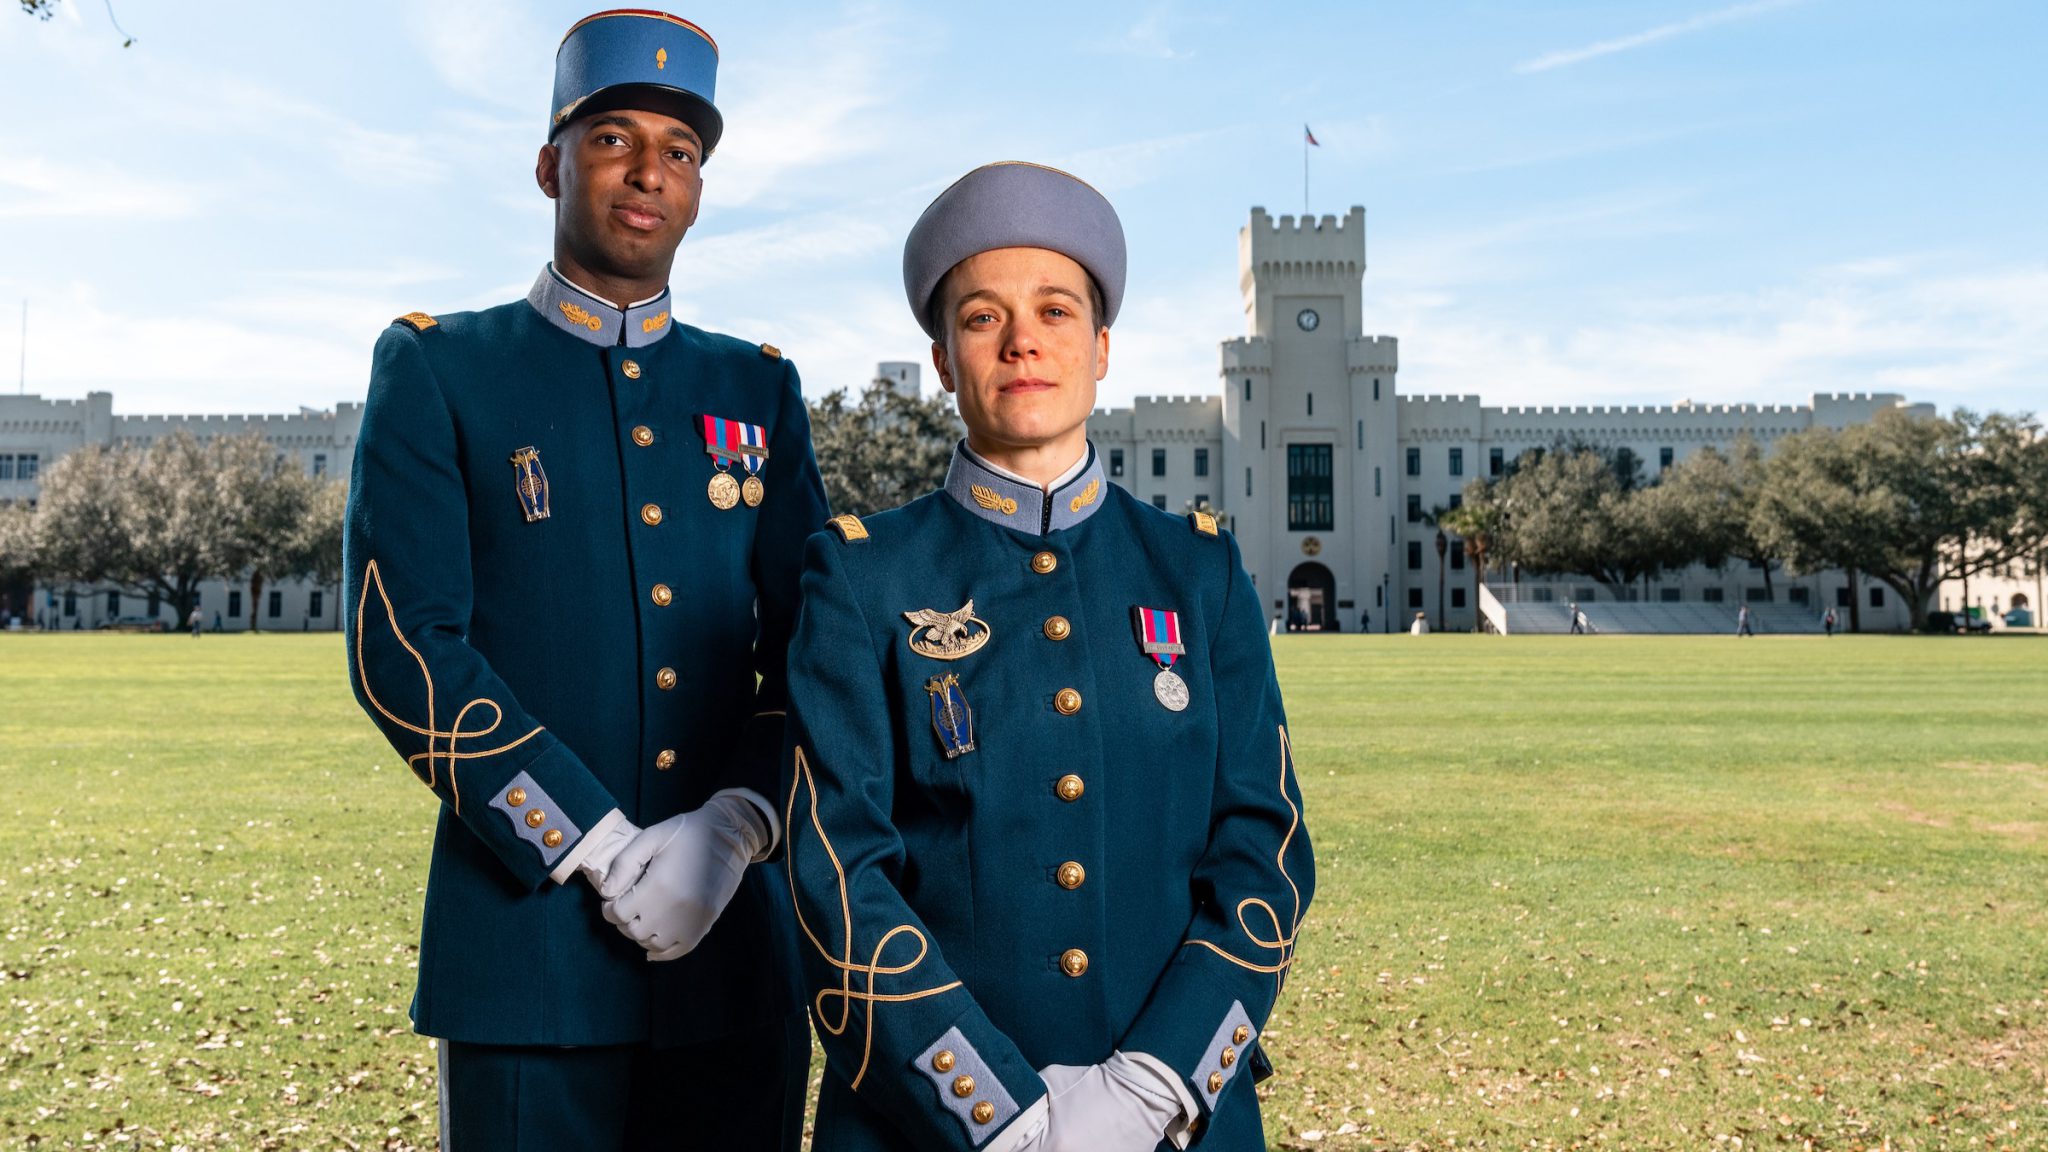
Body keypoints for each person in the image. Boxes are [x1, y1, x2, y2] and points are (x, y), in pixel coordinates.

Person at [341, 11, 827, 1150]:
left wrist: (741, 822)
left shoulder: (756, 389)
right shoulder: (440, 366)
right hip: (529, 953)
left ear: (700, 189)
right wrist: (590, 841)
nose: (648, 171)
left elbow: (812, 652)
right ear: (552, 164)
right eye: (613, 138)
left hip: (732, 956)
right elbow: (403, 645)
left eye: (681, 151)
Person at [781, 162, 1313, 1152]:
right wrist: (990, 1107)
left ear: (1100, 348)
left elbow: (1263, 850)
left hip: (1171, 1125)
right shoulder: (860, 578)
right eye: (981, 316)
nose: (1022, 340)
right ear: (942, 359)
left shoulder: (1195, 571)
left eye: (1055, 311)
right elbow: (835, 872)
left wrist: (1154, 1084)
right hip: (920, 1125)